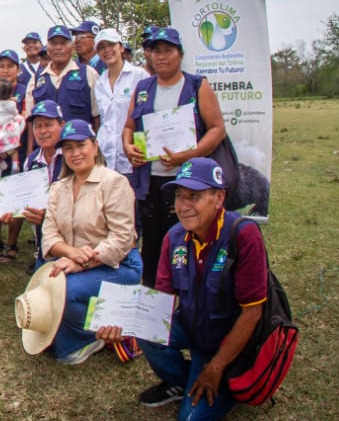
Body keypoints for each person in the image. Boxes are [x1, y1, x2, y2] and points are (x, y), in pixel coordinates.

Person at [96, 156, 267, 421]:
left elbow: (252, 313)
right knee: (145, 326)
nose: (184, 205)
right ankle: (181, 380)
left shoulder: (243, 235)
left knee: (190, 420)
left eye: (194, 196)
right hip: (192, 328)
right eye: (179, 196)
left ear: (219, 198)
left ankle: (223, 380)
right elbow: (160, 303)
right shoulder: (174, 237)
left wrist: (216, 367)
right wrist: (122, 321)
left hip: (227, 344)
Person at [31, 119, 141, 364]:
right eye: (68, 148)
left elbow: (122, 239)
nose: (75, 153)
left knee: (64, 292)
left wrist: (82, 262)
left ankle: (97, 333)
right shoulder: (59, 187)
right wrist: (71, 254)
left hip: (118, 265)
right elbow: (49, 236)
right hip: (73, 261)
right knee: (42, 291)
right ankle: (86, 326)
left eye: (81, 145)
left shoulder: (114, 182)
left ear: (95, 145)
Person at [123, 26, 227, 285]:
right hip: (151, 181)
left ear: (180, 54)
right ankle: (152, 293)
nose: (161, 56)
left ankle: (189, 290)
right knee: (153, 242)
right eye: (155, 51)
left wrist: (187, 156)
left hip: (187, 181)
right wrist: (128, 147)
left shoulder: (197, 85)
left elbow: (217, 130)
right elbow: (128, 127)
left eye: (168, 50)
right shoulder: (143, 87)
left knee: (187, 237)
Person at [2, 100, 66, 267]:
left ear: (62, 125)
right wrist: (12, 209)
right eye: (38, 126)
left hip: (74, 240)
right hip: (46, 241)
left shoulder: (72, 155)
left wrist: (48, 215)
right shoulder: (31, 160)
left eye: (48, 125)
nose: (43, 131)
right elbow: (27, 198)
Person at [92, 28, 148, 180]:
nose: (107, 50)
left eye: (111, 45)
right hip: (107, 158)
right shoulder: (100, 83)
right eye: (102, 47)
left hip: (132, 156)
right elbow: (104, 120)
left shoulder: (139, 75)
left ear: (121, 47)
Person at [26, 25, 100, 128]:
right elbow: (30, 122)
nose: (58, 47)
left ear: (72, 47)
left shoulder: (88, 73)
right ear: (47, 48)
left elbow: (97, 116)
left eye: (63, 43)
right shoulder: (36, 79)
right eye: (54, 43)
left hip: (78, 142)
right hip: (47, 142)